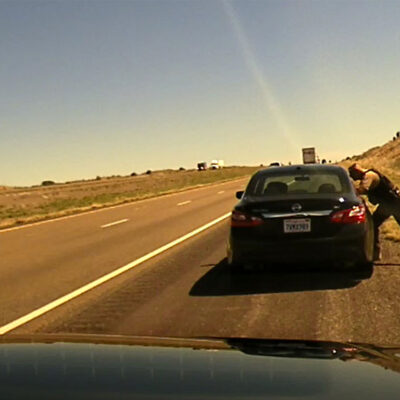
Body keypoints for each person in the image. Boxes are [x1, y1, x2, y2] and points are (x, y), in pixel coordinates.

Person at [348, 163, 400, 260]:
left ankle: (375, 252)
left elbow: (363, 190)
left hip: (392, 204)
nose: (353, 178)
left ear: (356, 171)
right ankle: (375, 252)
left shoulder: (368, 176)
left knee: (373, 224)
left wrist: (350, 191)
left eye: (352, 175)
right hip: (389, 204)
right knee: (373, 224)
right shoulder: (370, 174)